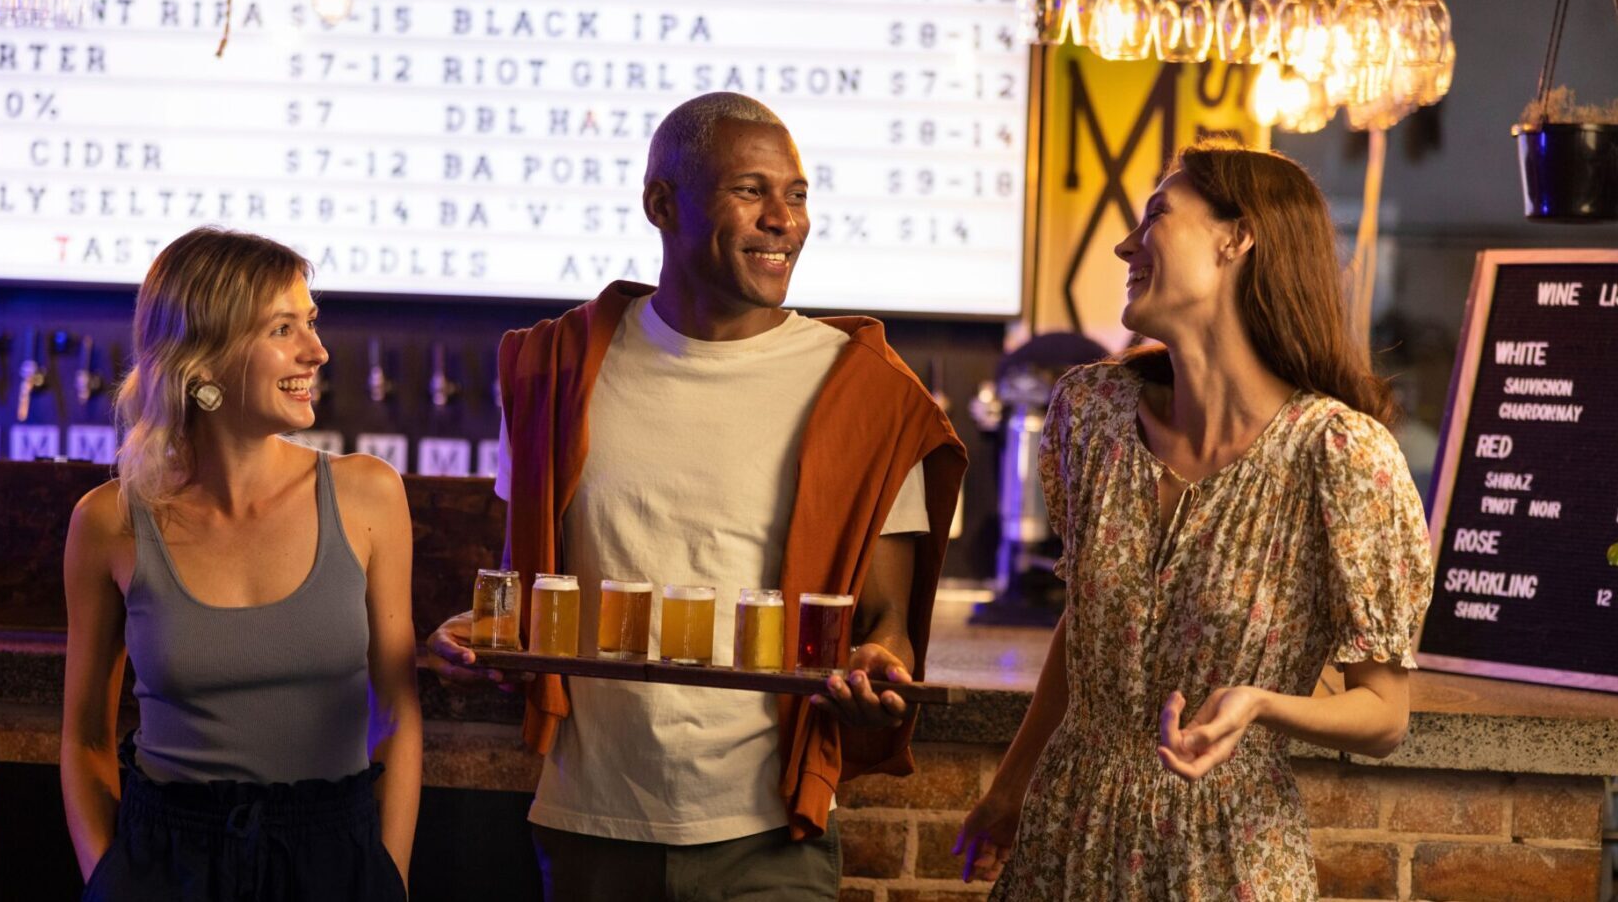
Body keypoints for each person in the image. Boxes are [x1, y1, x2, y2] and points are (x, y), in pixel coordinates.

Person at [426, 92, 967, 901]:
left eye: (798, 194)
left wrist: (878, 669)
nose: (784, 218)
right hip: (591, 820)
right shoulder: (553, 371)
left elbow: (882, 621)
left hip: (770, 828)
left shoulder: (865, 393)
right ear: (660, 204)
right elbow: (533, 584)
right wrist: (483, 637)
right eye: (751, 190)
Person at [954, 145, 1434, 900]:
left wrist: (1262, 705)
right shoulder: (1092, 414)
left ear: (1236, 238)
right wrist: (1012, 788)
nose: (1124, 243)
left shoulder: (1340, 454)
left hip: (1227, 853)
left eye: (1155, 216)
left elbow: (1385, 715)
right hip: (1068, 828)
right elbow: (1085, 627)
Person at [60, 228, 420, 901]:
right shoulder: (108, 522)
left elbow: (398, 712)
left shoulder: (371, 494)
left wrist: (386, 878)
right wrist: (110, 881)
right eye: (284, 329)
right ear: (204, 360)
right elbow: (85, 737)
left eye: (311, 322)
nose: (318, 351)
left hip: (333, 860)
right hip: (166, 861)